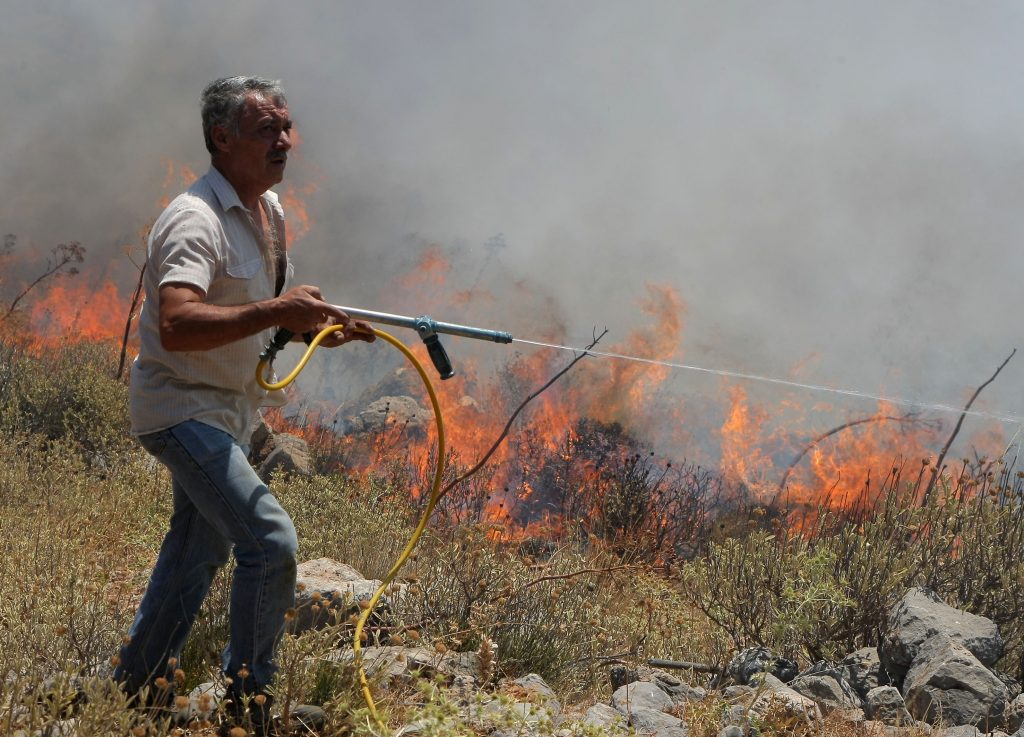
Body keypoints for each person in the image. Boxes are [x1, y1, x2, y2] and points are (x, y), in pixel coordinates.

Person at [115, 76, 372, 730]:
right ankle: (247, 708)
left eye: (287, 126)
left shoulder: (272, 212)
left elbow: (254, 319)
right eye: (268, 129)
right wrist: (281, 308)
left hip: (230, 412)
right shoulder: (193, 218)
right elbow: (178, 323)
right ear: (222, 139)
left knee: (195, 554)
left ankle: (130, 695)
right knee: (270, 542)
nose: (286, 140)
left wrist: (312, 327)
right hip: (180, 410)